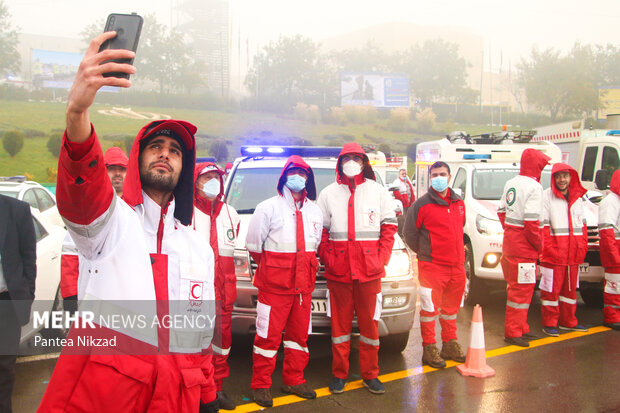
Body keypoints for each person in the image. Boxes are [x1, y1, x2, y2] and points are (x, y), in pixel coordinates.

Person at [38, 32, 218, 413]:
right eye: (156, 147)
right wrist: (76, 114)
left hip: (178, 399)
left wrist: (207, 394)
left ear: (184, 168)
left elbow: (200, 333)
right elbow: (81, 192)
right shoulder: (111, 224)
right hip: (110, 397)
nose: (165, 155)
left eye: (174, 151)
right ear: (138, 159)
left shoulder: (198, 248)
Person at [317, 142, 397, 395]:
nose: (351, 162)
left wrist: (381, 258)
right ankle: (339, 374)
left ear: (364, 162)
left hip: (369, 273)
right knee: (339, 329)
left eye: (356, 158)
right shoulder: (329, 194)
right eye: (346, 158)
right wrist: (328, 257)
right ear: (340, 163)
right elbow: (321, 231)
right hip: (338, 273)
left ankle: (370, 374)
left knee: (370, 327)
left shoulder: (378, 192)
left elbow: (389, 228)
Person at [246, 156, 323, 408]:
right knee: (267, 338)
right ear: (284, 177)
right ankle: (261, 385)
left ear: (308, 180)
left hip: (303, 289)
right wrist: (277, 270)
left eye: (303, 173)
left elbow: (315, 246)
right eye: (293, 172)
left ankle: (294, 379)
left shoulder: (314, 211)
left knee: (299, 337)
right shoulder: (267, 208)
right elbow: (254, 247)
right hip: (274, 287)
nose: (298, 177)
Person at [403, 161, 467, 369]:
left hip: (456, 267)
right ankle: (429, 349)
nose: (439, 178)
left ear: (449, 177)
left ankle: (449, 343)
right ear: (431, 178)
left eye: (443, 174)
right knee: (429, 310)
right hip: (432, 267)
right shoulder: (420, 205)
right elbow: (410, 234)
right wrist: (425, 252)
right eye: (435, 175)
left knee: (450, 309)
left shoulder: (459, 203)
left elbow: (460, 228)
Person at [193, 162, 240, 410]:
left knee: (221, 346)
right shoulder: (184, 212)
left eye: (216, 177)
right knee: (194, 346)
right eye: (207, 177)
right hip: (195, 295)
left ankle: (218, 390)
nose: (213, 182)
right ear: (196, 182)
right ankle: (197, 392)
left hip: (224, 293)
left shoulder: (231, 213)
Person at [60, 146, 129, 310]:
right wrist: (70, 293)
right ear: (103, 172)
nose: (118, 173)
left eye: (122, 169)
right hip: (93, 290)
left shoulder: (138, 208)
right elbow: (70, 249)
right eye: (112, 168)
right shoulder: (89, 206)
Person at [497, 148, 551, 348]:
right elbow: (531, 223)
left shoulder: (511, 183)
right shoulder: (534, 187)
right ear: (536, 165)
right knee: (521, 292)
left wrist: (511, 232)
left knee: (518, 289)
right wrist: (539, 246)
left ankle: (521, 327)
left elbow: (501, 211)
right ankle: (513, 332)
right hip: (525, 251)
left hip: (511, 246)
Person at [540, 163, 589, 336]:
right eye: (558, 176)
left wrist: (583, 246)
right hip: (553, 255)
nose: (562, 180)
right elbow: (543, 227)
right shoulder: (546, 196)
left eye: (565, 176)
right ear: (554, 179)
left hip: (572, 255)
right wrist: (550, 249)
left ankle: (569, 321)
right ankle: (549, 323)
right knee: (550, 292)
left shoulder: (578, 198)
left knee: (570, 292)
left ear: (571, 178)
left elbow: (582, 225)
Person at [0, 195, 36, 413]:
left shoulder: (17, 210)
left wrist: (27, 295)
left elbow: (28, 256)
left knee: (4, 372)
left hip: (6, 304)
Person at [598, 169, 620, 331]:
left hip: (616, 248)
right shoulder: (610, 201)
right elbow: (606, 231)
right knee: (614, 286)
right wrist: (613, 256)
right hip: (615, 250)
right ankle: (611, 317)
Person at [392, 168, 415, 236]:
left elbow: (411, 192)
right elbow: (396, 193)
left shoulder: (408, 182)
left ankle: (406, 233)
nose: (404, 175)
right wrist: (403, 200)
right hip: (402, 205)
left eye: (405, 174)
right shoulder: (397, 182)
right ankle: (401, 233)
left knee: (408, 219)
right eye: (403, 174)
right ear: (399, 174)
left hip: (409, 204)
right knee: (402, 219)